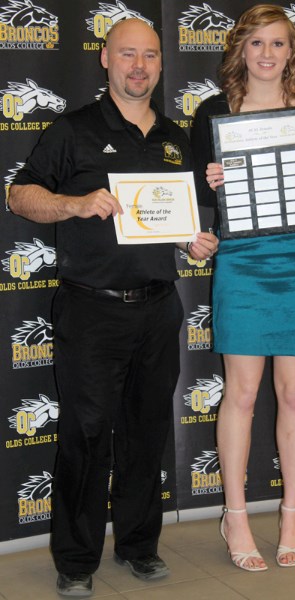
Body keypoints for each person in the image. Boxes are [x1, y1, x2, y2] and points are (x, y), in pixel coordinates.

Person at [8, 18, 218, 598]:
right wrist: (74, 205)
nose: (139, 66)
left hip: (158, 308)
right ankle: (76, 560)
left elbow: (182, 220)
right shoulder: (73, 129)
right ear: (105, 59)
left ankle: (139, 546)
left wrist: (195, 240)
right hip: (90, 309)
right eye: (127, 54)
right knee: (85, 434)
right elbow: (19, 193)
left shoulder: (176, 138)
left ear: (159, 63)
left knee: (146, 434)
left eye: (150, 55)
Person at [191, 4, 295, 572]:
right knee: (242, 392)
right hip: (241, 259)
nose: (266, 54)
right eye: (256, 43)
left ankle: (290, 513)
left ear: (292, 51)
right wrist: (209, 181)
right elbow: (197, 197)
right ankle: (235, 515)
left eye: (277, 44)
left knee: (292, 393)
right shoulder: (213, 111)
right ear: (240, 49)